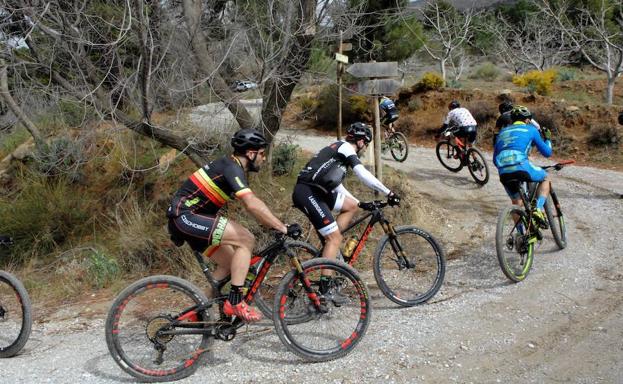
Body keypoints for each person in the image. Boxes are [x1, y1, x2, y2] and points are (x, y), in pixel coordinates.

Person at [166, 128, 300, 322]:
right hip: (186, 216)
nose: (264, 158)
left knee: (231, 265)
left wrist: (275, 224)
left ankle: (198, 311)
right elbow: (251, 204)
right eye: (262, 154)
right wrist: (282, 227)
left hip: (190, 218)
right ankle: (235, 301)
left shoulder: (231, 166)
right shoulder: (231, 167)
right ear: (250, 153)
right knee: (246, 239)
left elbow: (252, 207)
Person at [292, 122, 400, 298]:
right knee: (335, 237)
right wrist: (388, 192)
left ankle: (331, 244)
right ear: (360, 141)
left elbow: (337, 185)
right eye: (365, 143)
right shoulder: (345, 148)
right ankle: (324, 292)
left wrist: (360, 203)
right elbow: (362, 172)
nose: (364, 147)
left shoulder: (338, 153)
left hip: (318, 191)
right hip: (308, 191)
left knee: (351, 206)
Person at [493, 105, 553, 227]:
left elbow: (495, 159)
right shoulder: (531, 129)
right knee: (545, 177)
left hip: (503, 171)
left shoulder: (502, 132)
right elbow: (547, 153)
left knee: (516, 203)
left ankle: (521, 237)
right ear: (527, 120)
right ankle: (538, 209)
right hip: (521, 166)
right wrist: (548, 139)